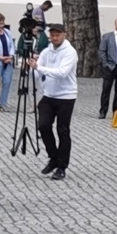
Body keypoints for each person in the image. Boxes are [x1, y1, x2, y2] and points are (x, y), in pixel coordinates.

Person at [34, 24, 79, 181]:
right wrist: (31, 69)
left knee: (63, 130)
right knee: (43, 125)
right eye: (52, 35)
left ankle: (61, 166)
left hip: (66, 96)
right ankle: (53, 157)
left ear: (64, 35)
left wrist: (39, 68)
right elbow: (37, 71)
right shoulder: (46, 51)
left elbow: (62, 72)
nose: (54, 38)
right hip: (49, 95)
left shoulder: (70, 52)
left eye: (57, 35)